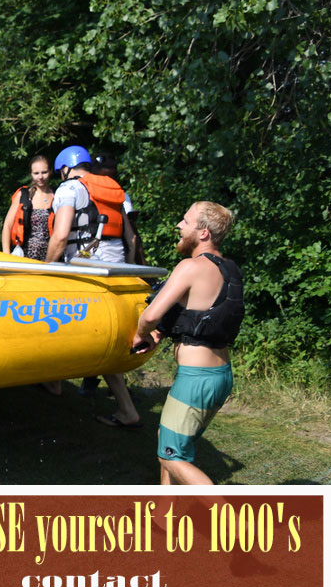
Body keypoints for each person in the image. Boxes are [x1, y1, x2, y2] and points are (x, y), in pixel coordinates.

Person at [132, 202, 243, 485]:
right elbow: (199, 316)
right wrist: (162, 334)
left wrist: (144, 332)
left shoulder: (190, 267)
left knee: (172, 456)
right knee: (168, 441)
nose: (179, 226)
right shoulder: (229, 270)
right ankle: (166, 517)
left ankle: (238, 525)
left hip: (196, 380)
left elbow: (151, 315)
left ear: (203, 233)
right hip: (220, 375)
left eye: (185, 220)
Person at [45, 145, 141, 424]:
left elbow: (61, 236)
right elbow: (131, 239)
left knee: (64, 325)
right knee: (107, 337)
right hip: (119, 265)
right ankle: (127, 409)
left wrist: (45, 268)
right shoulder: (112, 188)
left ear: (64, 168)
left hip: (86, 268)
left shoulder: (69, 188)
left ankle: (54, 381)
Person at [1, 154, 54, 260]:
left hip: (50, 257)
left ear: (50, 172)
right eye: (36, 173)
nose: (40, 177)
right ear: (31, 174)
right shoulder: (24, 195)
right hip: (24, 256)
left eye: (44, 172)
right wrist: (6, 255)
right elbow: (7, 225)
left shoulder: (57, 195)